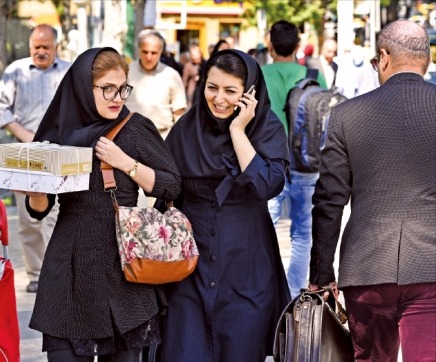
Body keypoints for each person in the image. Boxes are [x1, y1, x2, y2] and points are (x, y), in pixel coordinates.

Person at [25, 47, 181, 361]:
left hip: (122, 269)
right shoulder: (59, 132)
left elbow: (172, 184)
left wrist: (126, 163)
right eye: (107, 88)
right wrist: (35, 189)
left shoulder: (135, 128)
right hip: (68, 267)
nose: (117, 97)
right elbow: (39, 209)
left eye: (122, 87)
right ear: (84, 87)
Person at [308, 20, 436, 361]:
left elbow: (328, 201)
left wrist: (321, 273)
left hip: (367, 268)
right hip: (431, 269)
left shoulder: (346, 115)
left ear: (384, 57)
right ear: (425, 59)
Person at [160, 49, 290, 361]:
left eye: (231, 91)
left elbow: (266, 185)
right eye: (212, 87)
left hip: (246, 268)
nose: (219, 99)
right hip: (189, 270)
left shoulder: (267, 128)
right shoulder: (185, 130)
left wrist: (237, 131)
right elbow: (165, 188)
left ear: (249, 94)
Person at [0, 24, 71, 293]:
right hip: (26, 151)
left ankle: (57, 272)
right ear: (30, 45)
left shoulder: (69, 71)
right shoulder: (16, 71)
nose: (41, 52)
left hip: (60, 150)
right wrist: (23, 133)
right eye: (37, 47)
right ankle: (36, 274)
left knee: (58, 215)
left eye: (46, 47)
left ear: (56, 47)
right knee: (29, 217)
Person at [262, 20, 327, 298]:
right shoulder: (314, 74)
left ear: (270, 44)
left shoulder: (259, 73)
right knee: (302, 233)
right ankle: (294, 292)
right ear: (297, 46)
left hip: (268, 161)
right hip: (306, 163)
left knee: (262, 228)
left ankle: (264, 290)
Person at [125, 29, 186, 139]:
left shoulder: (171, 75)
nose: (149, 57)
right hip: (129, 136)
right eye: (145, 51)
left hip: (162, 138)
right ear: (139, 50)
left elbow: (179, 113)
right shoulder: (125, 73)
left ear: (161, 52)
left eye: (153, 53)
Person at [182, 43, 204, 109]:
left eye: (196, 55)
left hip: (202, 90)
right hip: (192, 91)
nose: (195, 57)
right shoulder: (188, 65)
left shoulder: (205, 63)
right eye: (193, 55)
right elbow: (184, 80)